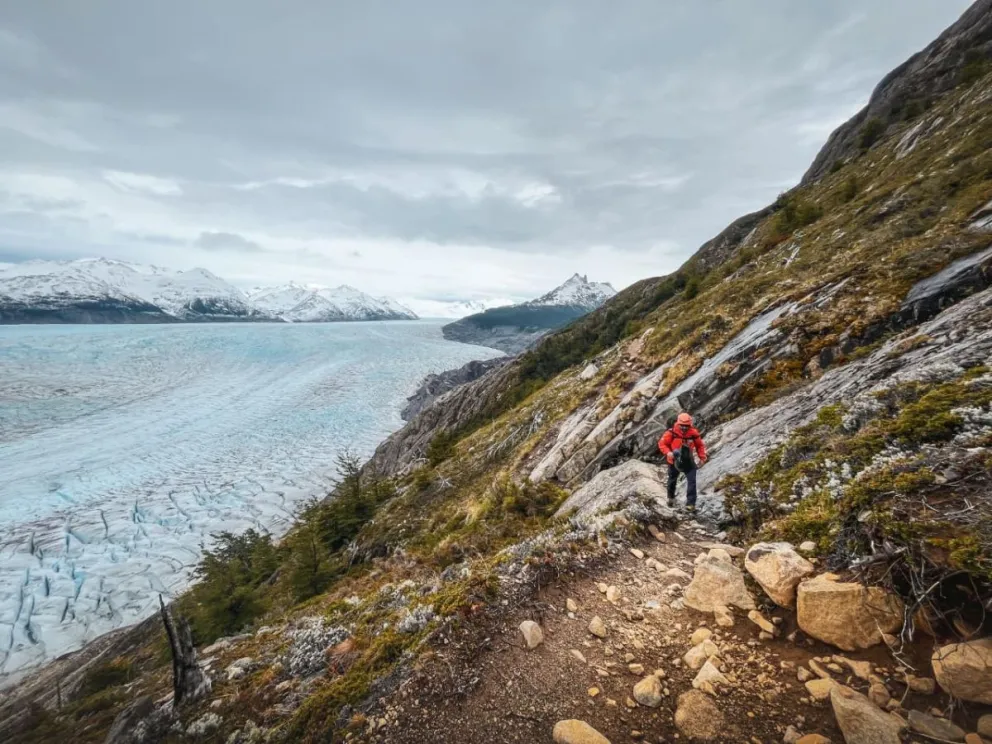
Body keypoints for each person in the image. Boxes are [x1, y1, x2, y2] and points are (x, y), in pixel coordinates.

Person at [658, 412, 707, 512]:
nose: (684, 428)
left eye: (686, 426)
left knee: (692, 481)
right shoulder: (671, 432)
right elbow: (662, 444)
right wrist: (668, 453)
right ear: (678, 423)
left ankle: (690, 504)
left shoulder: (693, 433)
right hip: (674, 460)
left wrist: (702, 458)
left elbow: (700, 446)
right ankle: (670, 498)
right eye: (682, 426)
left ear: (690, 425)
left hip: (688, 460)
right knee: (672, 480)